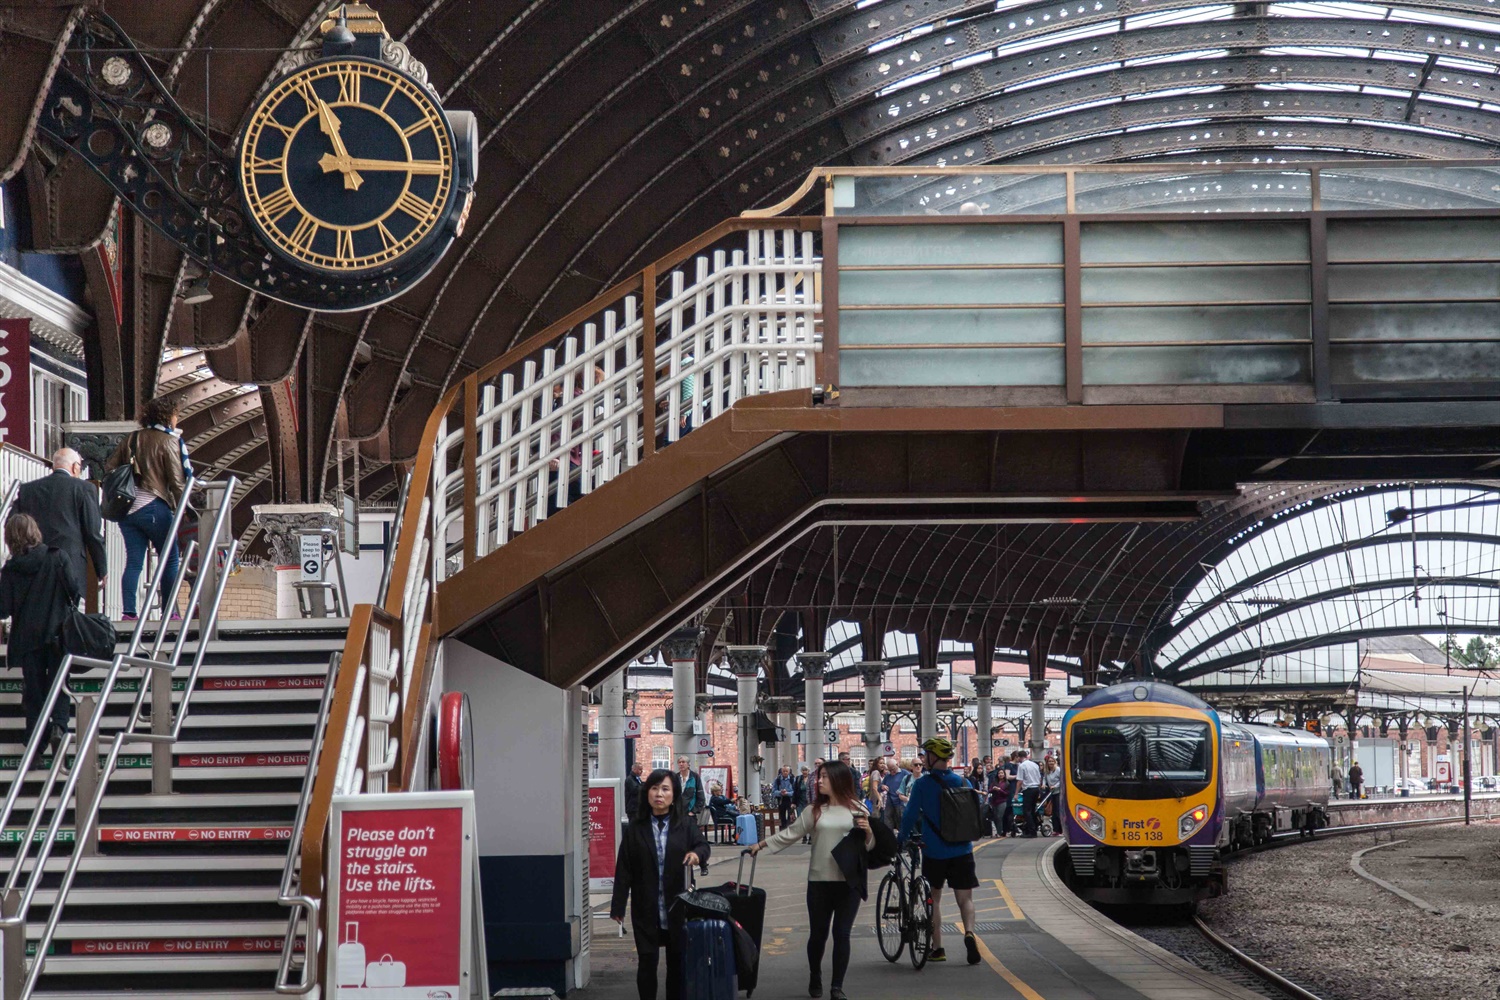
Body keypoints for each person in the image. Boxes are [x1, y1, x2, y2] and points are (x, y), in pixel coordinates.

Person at [749, 761, 874, 1000]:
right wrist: (760, 845)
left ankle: (837, 986)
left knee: (842, 934)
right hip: (820, 881)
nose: (818, 781)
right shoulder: (814, 811)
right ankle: (815, 974)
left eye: (824, 777)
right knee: (818, 934)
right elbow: (791, 833)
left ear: (838, 779)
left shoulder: (858, 808)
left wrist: (868, 831)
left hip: (849, 882)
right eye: (819, 777)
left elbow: (868, 847)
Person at [610, 768, 709, 1000]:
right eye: (654, 788)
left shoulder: (685, 824)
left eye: (665, 789)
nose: (659, 794)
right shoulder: (636, 828)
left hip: (677, 906)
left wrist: (696, 854)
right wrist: (618, 906)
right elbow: (624, 868)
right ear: (647, 793)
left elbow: (704, 846)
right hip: (646, 908)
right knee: (647, 962)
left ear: (674, 794)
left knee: (676, 964)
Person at [0, 514, 82, 758]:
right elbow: (74, 591)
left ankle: (35, 745)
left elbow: (3, 609)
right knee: (59, 683)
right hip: (58, 634)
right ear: (35, 531)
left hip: (27, 639)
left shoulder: (10, 569)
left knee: (33, 692)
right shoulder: (57, 557)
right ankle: (58, 725)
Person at [105, 395, 193, 622]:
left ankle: (129, 613)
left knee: (134, 561)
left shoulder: (132, 439)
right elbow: (177, 481)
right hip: (154, 507)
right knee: (170, 559)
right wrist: (185, 507)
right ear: (167, 416)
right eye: (175, 414)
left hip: (128, 510)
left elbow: (110, 467)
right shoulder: (169, 441)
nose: (177, 418)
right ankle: (170, 612)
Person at [897, 736, 982, 965]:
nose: (923, 759)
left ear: (933, 757)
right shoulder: (965, 783)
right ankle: (970, 933)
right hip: (963, 849)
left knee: (932, 899)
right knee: (965, 899)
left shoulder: (923, 784)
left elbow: (910, 815)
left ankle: (938, 949)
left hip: (934, 852)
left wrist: (901, 839)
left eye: (925, 755)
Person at [14, 448, 107, 593]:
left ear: (54, 466)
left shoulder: (27, 489)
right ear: (75, 466)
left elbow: (14, 524)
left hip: (34, 562)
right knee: (67, 610)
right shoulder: (85, 488)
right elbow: (93, 533)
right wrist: (101, 569)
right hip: (71, 563)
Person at [1016, 749, 1043, 837]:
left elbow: (1020, 781)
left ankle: (1031, 831)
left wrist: (1016, 793)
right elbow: (1039, 778)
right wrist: (1039, 789)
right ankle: (1034, 828)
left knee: (1026, 811)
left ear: (1019, 757)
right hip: (1036, 788)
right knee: (1033, 810)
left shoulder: (1022, 766)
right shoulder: (1035, 764)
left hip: (1028, 789)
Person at [880, 758, 906, 829]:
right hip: (890, 801)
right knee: (887, 819)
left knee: (900, 820)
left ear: (897, 765)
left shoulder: (905, 773)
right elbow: (880, 786)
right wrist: (882, 786)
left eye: (893, 769)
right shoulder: (888, 776)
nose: (891, 771)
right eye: (889, 769)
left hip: (900, 801)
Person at [1042, 753, 1063, 835]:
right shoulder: (1047, 771)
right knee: (1053, 812)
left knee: (1057, 811)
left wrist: (1055, 786)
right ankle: (1056, 829)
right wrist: (1044, 784)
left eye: (1052, 761)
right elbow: (1044, 778)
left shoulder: (1058, 770)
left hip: (1058, 792)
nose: (1050, 763)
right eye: (1049, 761)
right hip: (1052, 792)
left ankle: (1061, 829)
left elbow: (1061, 780)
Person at [773, 765, 796, 831]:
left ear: (789, 772)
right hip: (781, 800)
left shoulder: (793, 779)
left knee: (790, 816)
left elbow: (795, 791)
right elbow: (774, 791)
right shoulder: (777, 780)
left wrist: (787, 793)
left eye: (786, 771)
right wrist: (780, 792)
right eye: (783, 771)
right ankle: (782, 830)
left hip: (790, 800)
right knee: (782, 816)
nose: (785, 772)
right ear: (781, 771)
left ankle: (789, 830)